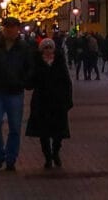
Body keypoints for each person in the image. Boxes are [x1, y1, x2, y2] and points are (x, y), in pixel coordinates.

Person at [0, 16, 37, 171]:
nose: (10, 30)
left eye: (12, 27)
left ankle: (11, 158)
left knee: (15, 127)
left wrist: (24, 82)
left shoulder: (24, 48)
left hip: (15, 92)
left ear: (17, 29)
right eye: (7, 27)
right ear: (3, 29)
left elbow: (30, 67)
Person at [27, 35, 74, 170]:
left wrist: (68, 99)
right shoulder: (37, 63)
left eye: (50, 48)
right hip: (41, 101)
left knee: (58, 132)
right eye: (45, 48)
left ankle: (56, 152)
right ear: (41, 50)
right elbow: (31, 81)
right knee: (44, 132)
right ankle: (48, 157)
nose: (48, 50)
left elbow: (67, 81)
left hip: (58, 101)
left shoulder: (59, 62)